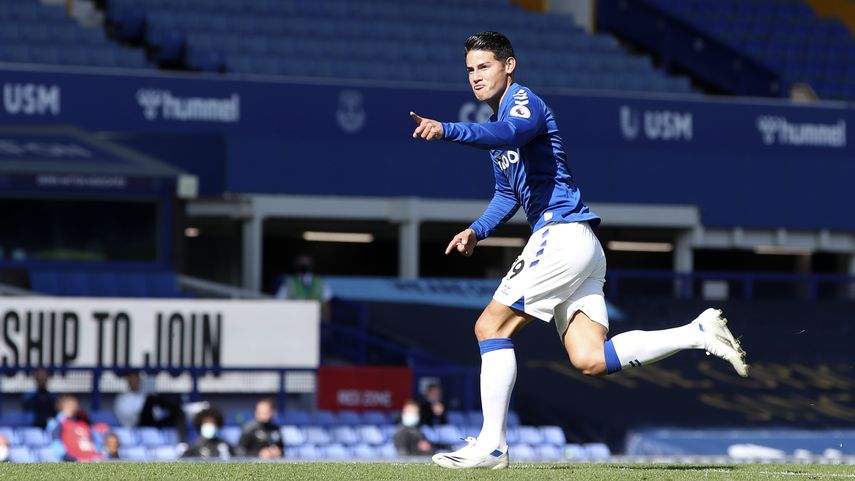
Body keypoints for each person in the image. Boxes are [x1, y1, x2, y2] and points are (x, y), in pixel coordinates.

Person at [410, 31, 749, 469]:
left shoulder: (521, 104)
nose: (475, 77)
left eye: (484, 66)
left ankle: (492, 445)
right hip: (580, 245)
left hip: (561, 235)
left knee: (489, 327)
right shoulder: (499, 127)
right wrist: (478, 230)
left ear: (509, 65)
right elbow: (507, 194)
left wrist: (447, 130)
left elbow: (511, 132)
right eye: (470, 70)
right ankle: (696, 333)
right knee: (590, 358)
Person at [47, 395, 106, 463]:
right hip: (74, 461)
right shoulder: (57, 423)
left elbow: (95, 443)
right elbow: (56, 447)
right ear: (66, 405)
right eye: (74, 403)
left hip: (93, 460)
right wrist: (76, 460)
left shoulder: (82, 423)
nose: (77, 405)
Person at [276, 255, 333, 320]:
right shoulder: (288, 282)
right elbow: (280, 302)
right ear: (296, 264)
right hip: (295, 320)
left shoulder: (320, 282)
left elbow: (327, 305)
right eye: (301, 263)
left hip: (316, 321)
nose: (304, 265)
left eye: (306, 263)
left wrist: (326, 326)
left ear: (312, 265)